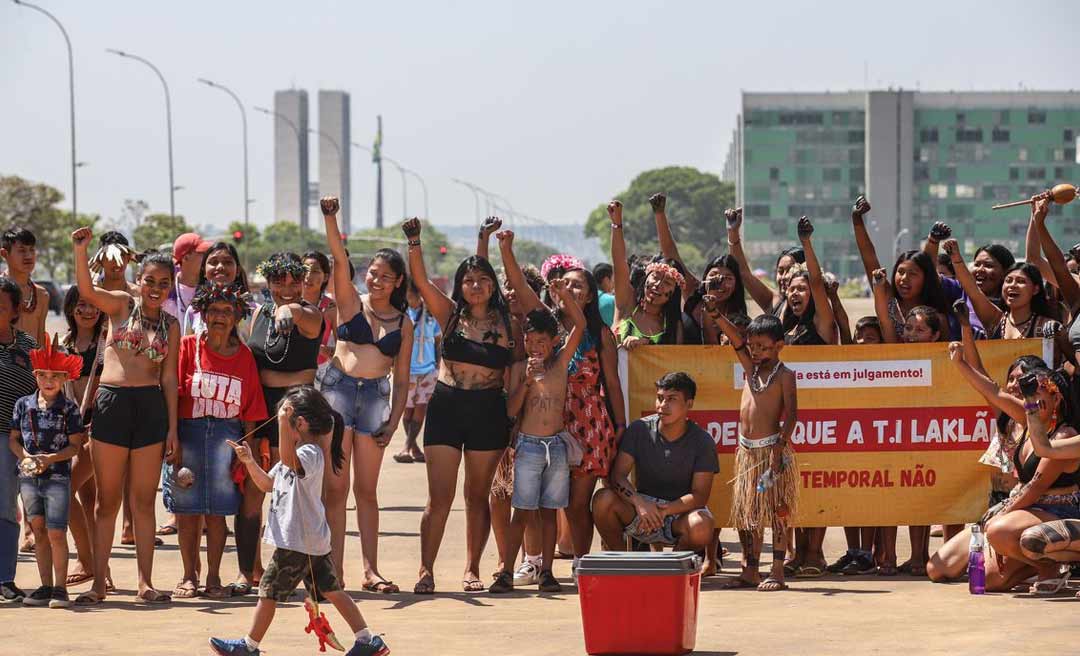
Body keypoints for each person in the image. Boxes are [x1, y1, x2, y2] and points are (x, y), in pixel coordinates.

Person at [209, 386, 389, 656]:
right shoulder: (291, 457)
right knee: (333, 591)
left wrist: (282, 421)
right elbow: (268, 484)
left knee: (268, 591)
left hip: (297, 542)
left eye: (286, 420)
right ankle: (367, 639)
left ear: (299, 423)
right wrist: (249, 463)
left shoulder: (309, 454)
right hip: (308, 541)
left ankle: (249, 646)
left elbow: (289, 461)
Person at [402, 217, 518, 594]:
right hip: (447, 407)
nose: (476, 286)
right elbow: (419, 281)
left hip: (488, 410)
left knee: (476, 495)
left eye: (483, 280)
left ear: (493, 284)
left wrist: (487, 243)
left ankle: (471, 569)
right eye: (469, 280)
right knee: (439, 497)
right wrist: (415, 242)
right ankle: (426, 569)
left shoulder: (507, 321)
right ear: (460, 284)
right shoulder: (450, 314)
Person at [500, 235, 627, 577]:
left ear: (590, 294)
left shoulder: (599, 334)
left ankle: (580, 563)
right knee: (536, 498)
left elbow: (612, 383)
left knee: (575, 503)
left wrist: (621, 427)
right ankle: (535, 560)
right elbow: (519, 286)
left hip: (589, 422)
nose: (571, 289)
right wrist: (506, 249)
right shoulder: (547, 326)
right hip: (548, 420)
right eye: (565, 284)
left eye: (579, 286)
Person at [70, 227, 180, 605]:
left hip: (150, 409)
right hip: (112, 404)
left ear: (171, 287)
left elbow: (169, 377)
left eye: (164, 284)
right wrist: (80, 250)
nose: (156, 288)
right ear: (140, 279)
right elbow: (86, 291)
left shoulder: (171, 325)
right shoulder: (119, 305)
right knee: (106, 500)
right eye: (150, 280)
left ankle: (145, 582)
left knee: (143, 501)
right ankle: (99, 583)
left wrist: (173, 430)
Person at [318, 197, 411, 593]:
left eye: (385, 277)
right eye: (373, 273)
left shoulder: (404, 323)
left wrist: (394, 422)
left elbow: (403, 379)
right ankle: (333, 569)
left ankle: (371, 570)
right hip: (338, 394)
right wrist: (331, 218)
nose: (376, 281)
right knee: (335, 489)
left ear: (398, 283)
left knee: (367, 490)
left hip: (375, 399)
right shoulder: (350, 302)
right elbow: (339, 260)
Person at [166, 282, 267, 600]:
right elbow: (172, 394)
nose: (219, 317)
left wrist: (245, 451)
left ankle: (212, 577)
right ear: (203, 314)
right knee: (187, 511)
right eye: (213, 311)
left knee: (217, 512)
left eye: (227, 311)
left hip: (227, 439)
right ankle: (188, 575)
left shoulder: (245, 357)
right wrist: (173, 437)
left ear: (237, 316)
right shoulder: (186, 347)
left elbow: (250, 408)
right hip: (190, 434)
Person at [490, 281, 585, 594]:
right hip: (528, 446)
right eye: (530, 341)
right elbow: (510, 410)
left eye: (541, 341)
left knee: (549, 512)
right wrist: (527, 382)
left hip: (555, 446)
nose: (534, 347)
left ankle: (547, 571)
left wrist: (564, 296)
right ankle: (506, 569)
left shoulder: (560, 364)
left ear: (554, 341)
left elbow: (581, 324)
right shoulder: (520, 370)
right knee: (523, 511)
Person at [238, 251, 325, 594]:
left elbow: (297, 313)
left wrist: (289, 310)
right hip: (261, 410)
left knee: (297, 494)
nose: (287, 287)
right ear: (269, 281)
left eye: (294, 280)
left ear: (304, 282)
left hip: (298, 414)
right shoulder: (259, 313)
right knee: (251, 492)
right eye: (279, 281)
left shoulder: (311, 314)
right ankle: (249, 572)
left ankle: (313, 577)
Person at [708, 313, 798, 591]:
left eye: (763, 347)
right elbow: (736, 342)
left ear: (779, 346)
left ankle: (778, 570)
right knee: (749, 511)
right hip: (747, 455)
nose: (756, 351)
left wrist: (778, 448)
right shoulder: (751, 369)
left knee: (776, 510)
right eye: (753, 346)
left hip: (772, 455)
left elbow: (792, 416)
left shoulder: (785, 375)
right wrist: (715, 315)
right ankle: (750, 569)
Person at [592, 372, 717, 557]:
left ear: (689, 404)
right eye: (659, 398)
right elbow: (618, 476)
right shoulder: (639, 429)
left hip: (678, 512)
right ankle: (621, 564)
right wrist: (640, 504)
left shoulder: (703, 440)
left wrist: (662, 511)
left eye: (671, 399)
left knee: (702, 525)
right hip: (640, 508)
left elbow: (699, 496)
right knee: (602, 500)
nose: (662, 405)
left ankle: (671, 569)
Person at [9, 334, 87, 608]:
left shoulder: (69, 409)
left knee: (56, 532)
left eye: (56, 376)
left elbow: (76, 446)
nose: (49, 381)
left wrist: (50, 458)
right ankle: (44, 586)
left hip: (57, 479)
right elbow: (13, 439)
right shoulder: (23, 405)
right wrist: (27, 457)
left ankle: (60, 588)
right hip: (29, 478)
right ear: (36, 375)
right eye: (44, 375)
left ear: (65, 378)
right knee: (38, 529)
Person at [651, 193, 747, 344]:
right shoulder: (694, 291)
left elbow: (743, 271)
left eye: (728, 278)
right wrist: (659, 214)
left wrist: (733, 233)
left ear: (737, 284)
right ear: (704, 278)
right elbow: (672, 256)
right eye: (714, 275)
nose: (720, 281)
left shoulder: (738, 313)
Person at [59, 286, 106, 588]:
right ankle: (102, 571)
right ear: (70, 308)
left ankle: (86, 561)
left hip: (101, 431)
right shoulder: (63, 344)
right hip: (72, 432)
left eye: (93, 305)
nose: (87, 311)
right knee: (87, 500)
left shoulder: (109, 340)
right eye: (80, 305)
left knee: (61, 492)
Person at [0, 277, 39, 602]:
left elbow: (41, 393)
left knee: (6, 508)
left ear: (14, 310)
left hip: (11, 440)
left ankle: (4, 578)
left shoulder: (28, 347)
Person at [943, 238, 1055, 340]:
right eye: (1009, 280)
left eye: (1021, 281)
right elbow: (973, 290)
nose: (1012, 285)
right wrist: (956, 259)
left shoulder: (1047, 326)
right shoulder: (996, 321)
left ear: (1035, 289)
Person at [609, 200, 684, 346]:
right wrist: (616, 224)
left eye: (667, 283)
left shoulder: (674, 326)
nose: (658, 285)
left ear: (674, 292)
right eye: (655, 277)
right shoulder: (627, 303)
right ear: (646, 278)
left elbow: (675, 364)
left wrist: (646, 344)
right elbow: (619, 264)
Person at [726, 207, 805, 317]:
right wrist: (733, 232)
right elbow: (743, 273)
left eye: (790, 270)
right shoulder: (773, 302)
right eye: (780, 271)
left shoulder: (819, 307)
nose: (784, 277)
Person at [395, 281, 441, 464]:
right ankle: (412, 447)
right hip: (408, 369)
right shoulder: (402, 314)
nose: (408, 297)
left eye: (410, 293)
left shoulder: (430, 314)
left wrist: (438, 364)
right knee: (408, 410)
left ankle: (407, 447)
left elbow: (438, 340)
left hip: (428, 369)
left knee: (421, 408)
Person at [1, 227, 47, 347]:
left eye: (32, 250)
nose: (28, 256)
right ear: (4, 254)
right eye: (21, 250)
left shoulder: (42, 295)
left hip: (30, 364)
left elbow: (40, 343)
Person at [166, 232, 211, 327]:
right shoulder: (166, 290)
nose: (207, 257)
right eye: (202, 253)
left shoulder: (211, 290)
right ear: (186, 258)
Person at [301, 250, 337, 365]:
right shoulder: (290, 303)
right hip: (290, 372)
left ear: (326, 277)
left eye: (315, 271)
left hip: (320, 373)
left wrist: (325, 350)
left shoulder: (331, 307)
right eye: (305, 270)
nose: (308, 276)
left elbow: (342, 348)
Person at [593, 262, 616, 327]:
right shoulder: (611, 300)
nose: (614, 283)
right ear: (606, 280)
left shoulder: (588, 297)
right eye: (613, 279)